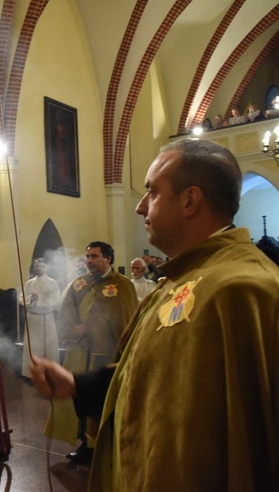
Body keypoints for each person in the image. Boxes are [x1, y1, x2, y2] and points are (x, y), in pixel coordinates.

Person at [32, 139, 279, 490]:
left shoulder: (246, 287)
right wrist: (79, 385)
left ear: (190, 200)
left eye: (152, 191)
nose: (139, 206)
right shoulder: (180, 278)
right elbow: (153, 372)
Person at [44, 241, 137, 465]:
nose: (90, 261)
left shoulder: (122, 285)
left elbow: (128, 317)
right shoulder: (79, 284)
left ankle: (109, 446)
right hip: (80, 352)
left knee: (105, 402)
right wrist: (76, 329)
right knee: (80, 398)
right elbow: (66, 311)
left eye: (95, 256)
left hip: (108, 355)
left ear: (108, 259)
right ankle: (86, 446)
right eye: (88, 257)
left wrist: (99, 333)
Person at [21, 258, 61, 376]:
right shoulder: (29, 283)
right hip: (33, 319)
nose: (39, 268)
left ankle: (50, 373)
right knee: (33, 347)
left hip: (47, 318)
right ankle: (32, 374)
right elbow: (21, 298)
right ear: (34, 267)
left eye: (42, 266)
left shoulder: (52, 282)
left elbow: (56, 300)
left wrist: (40, 298)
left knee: (50, 347)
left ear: (46, 267)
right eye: (37, 266)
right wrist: (31, 299)